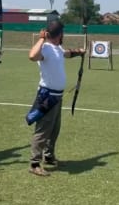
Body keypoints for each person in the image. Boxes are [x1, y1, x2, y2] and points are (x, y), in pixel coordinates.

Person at [27, 19, 85, 176]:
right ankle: (34, 163)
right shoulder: (45, 48)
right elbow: (32, 56)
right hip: (47, 96)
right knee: (43, 130)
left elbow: (66, 54)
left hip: (57, 96)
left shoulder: (57, 48)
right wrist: (41, 38)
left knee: (54, 129)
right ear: (60, 34)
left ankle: (49, 156)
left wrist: (79, 52)